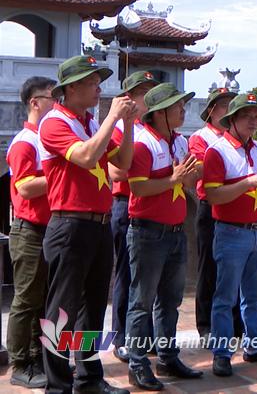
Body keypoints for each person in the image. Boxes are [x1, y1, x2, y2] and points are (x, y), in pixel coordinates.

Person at [39, 55, 137, 394]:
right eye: (93, 81)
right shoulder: (54, 122)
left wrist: (130, 124)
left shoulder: (92, 123)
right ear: (72, 87)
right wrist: (112, 117)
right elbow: (85, 157)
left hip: (98, 225)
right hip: (69, 225)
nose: (99, 87)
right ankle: (57, 386)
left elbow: (122, 164)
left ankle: (89, 377)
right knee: (60, 312)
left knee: (93, 307)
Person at [123, 83, 202, 390]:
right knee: (141, 301)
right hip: (147, 232)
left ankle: (168, 356)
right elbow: (138, 188)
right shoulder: (143, 143)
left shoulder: (179, 142)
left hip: (174, 230)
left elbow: (186, 182)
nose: (183, 109)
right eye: (177, 106)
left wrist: (189, 175)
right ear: (160, 113)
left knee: (170, 299)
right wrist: (175, 178)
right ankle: (137, 362)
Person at [203, 93, 257, 377]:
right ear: (233, 120)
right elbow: (212, 195)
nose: (254, 121)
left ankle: (254, 345)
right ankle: (222, 352)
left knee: (255, 294)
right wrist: (249, 182)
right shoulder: (217, 150)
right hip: (230, 232)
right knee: (225, 296)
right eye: (247, 116)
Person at [6, 77, 55, 389]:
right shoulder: (26, 142)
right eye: (52, 97)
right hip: (29, 231)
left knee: (44, 300)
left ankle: (39, 357)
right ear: (34, 102)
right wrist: (63, 175)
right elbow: (24, 187)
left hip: (49, 230)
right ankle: (20, 362)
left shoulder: (47, 139)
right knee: (26, 299)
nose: (57, 103)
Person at [108, 70, 158, 363]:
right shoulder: (120, 129)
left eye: (151, 91)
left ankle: (144, 334)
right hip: (126, 203)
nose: (147, 99)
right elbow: (116, 171)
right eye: (142, 93)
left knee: (149, 277)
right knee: (127, 274)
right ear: (128, 98)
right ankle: (121, 337)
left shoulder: (153, 129)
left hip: (151, 205)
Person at [189, 86, 242, 342]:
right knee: (208, 266)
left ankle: (234, 320)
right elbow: (203, 170)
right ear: (211, 111)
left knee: (234, 267)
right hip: (210, 207)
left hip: (234, 205)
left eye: (232, 106)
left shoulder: (238, 139)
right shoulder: (201, 138)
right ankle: (205, 324)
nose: (229, 111)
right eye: (224, 106)